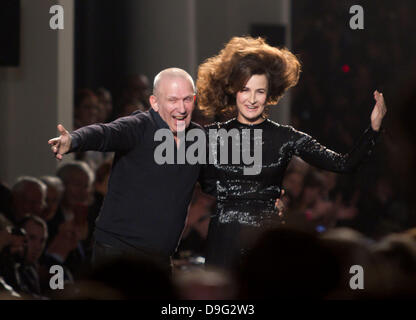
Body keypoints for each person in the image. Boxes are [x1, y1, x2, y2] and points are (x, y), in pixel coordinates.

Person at [197, 36, 387, 269]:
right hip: (223, 236)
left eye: (260, 91)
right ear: (234, 91)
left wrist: (374, 129)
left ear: (271, 94)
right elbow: (185, 180)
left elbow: (344, 165)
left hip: (264, 236)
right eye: (245, 90)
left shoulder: (285, 137)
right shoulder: (210, 136)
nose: (252, 99)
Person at [48, 68, 202, 270]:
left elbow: (214, 179)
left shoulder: (197, 137)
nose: (181, 108)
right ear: (154, 102)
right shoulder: (139, 126)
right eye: (172, 100)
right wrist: (75, 140)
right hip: (117, 251)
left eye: (187, 100)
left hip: (160, 257)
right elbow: (106, 133)